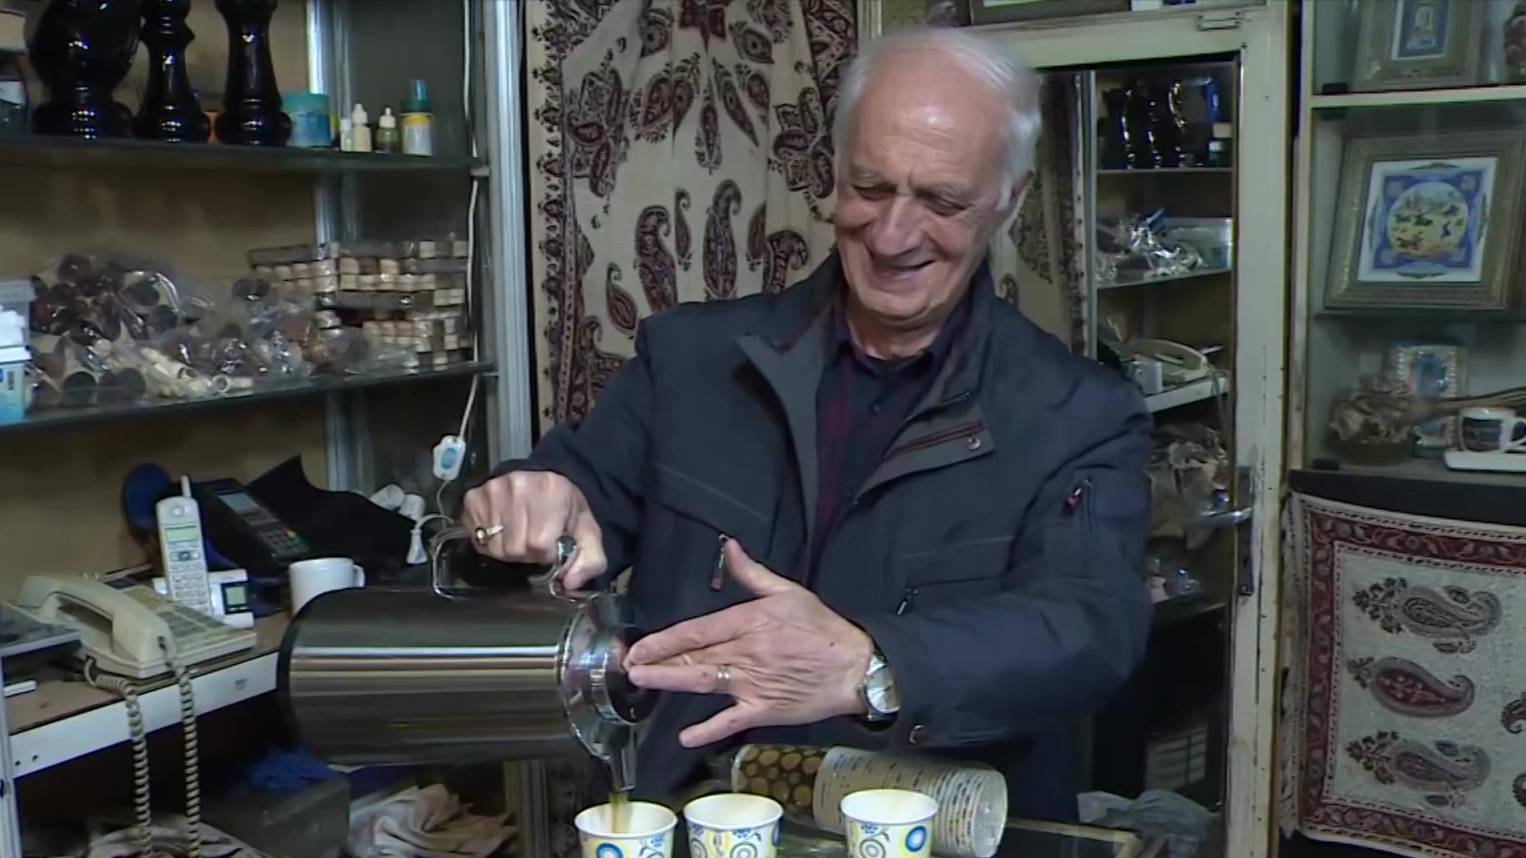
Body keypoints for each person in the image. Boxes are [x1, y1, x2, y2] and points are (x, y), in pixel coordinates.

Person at [463, 27, 1152, 821]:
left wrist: (874, 666)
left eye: (941, 201)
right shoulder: (687, 361)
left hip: (933, 833)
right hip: (696, 823)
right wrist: (522, 512)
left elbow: (1089, 628)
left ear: (1012, 198)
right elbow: (566, 510)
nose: (892, 236)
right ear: (833, 171)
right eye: (869, 187)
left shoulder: (1080, 414)